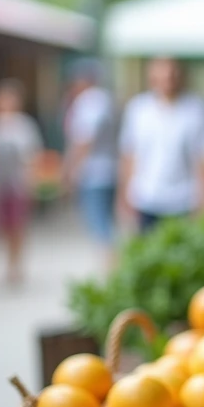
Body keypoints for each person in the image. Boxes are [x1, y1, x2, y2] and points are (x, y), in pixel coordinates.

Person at [119, 57, 204, 232]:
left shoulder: (196, 109)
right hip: (146, 197)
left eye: (172, 74)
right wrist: (124, 196)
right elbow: (129, 155)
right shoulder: (138, 109)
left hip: (183, 200)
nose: (168, 80)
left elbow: (203, 157)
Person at [63, 59, 119, 265]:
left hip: (94, 173)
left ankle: (110, 268)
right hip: (109, 169)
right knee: (106, 222)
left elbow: (84, 139)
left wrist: (70, 169)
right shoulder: (104, 99)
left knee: (100, 225)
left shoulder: (89, 101)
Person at [0, 78, 44, 285]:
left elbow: (33, 157)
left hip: (17, 185)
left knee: (17, 228)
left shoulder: (25, 126)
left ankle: (14, 266)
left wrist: (32, 183)